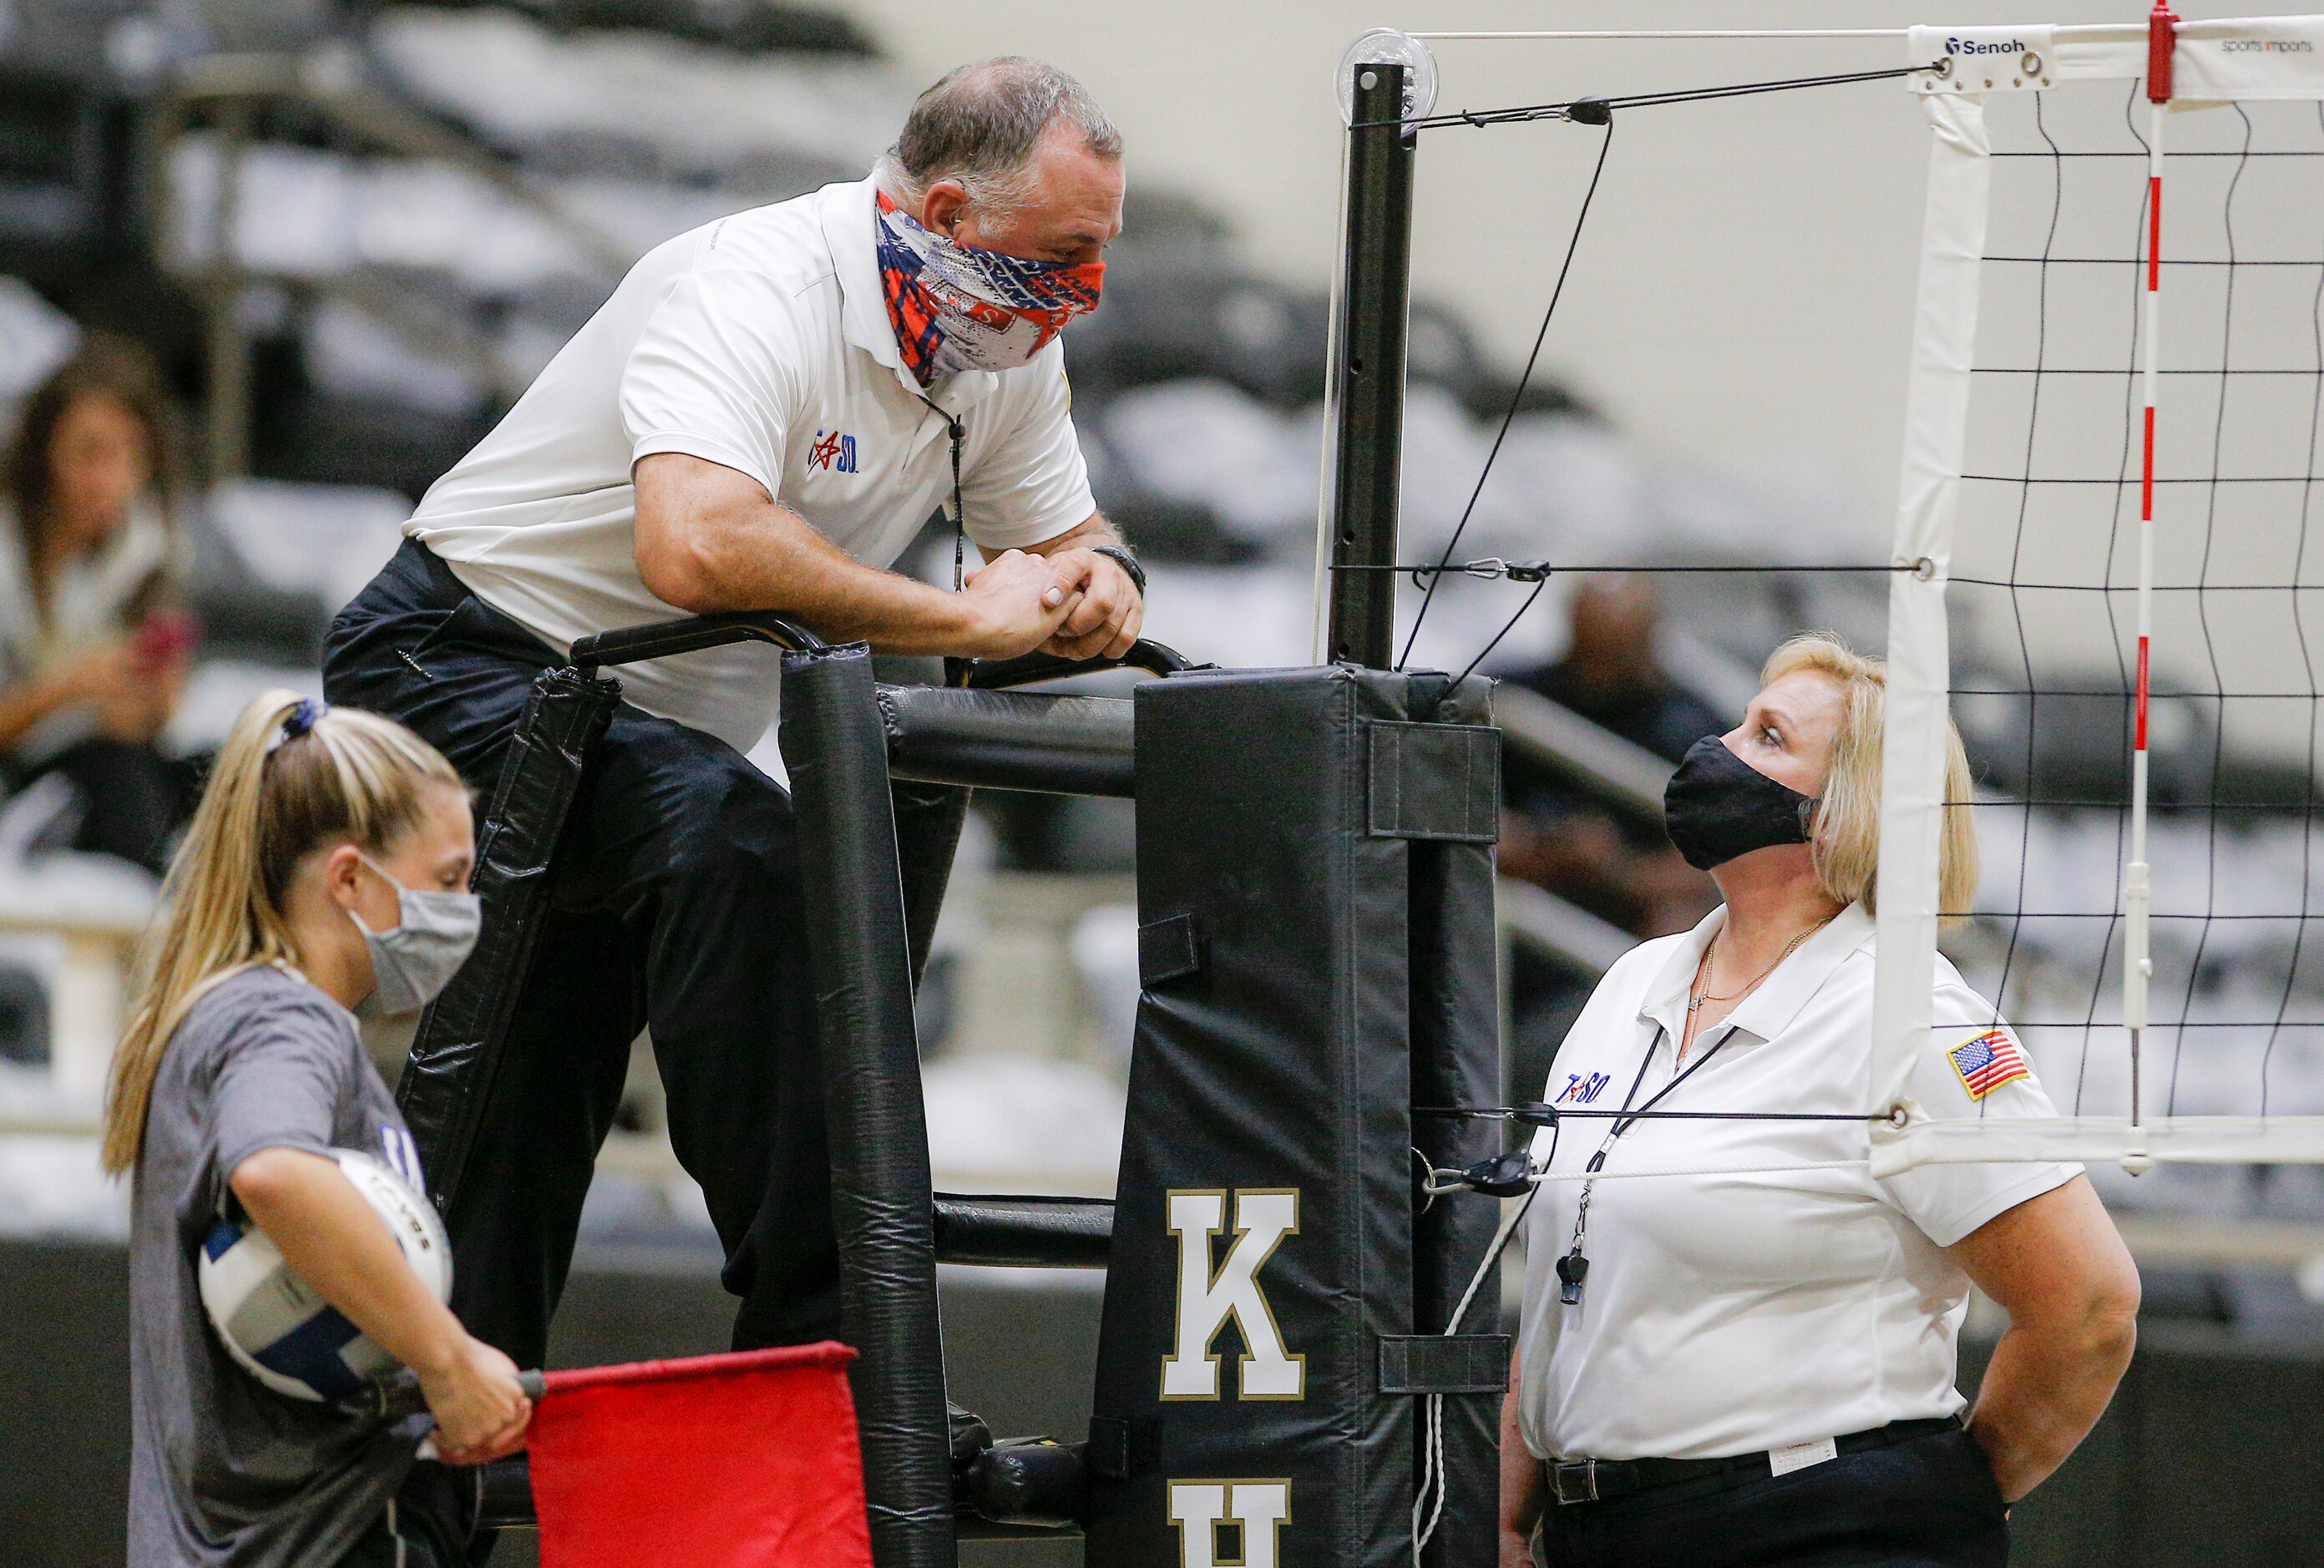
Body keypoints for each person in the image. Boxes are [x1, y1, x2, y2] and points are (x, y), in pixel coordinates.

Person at [321, 56, 1141, 1383]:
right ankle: (816, 1338)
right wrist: (958, 622)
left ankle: (465, 1438)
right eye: (1065, 255)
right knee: (744, 849)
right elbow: (695, 548)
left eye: (1102, 254)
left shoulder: (999, 338)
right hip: (454, 667)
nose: (1084, 294)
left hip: (629, 716)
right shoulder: (751, 280)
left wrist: (1101, 579)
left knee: (520, 1107)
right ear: (945, 214)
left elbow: (1061, 531)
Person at [1500, 633, 2140, 1568]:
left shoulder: (1910, 1018)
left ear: (1837, 818)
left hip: (1815, 1527)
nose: (1712, 750)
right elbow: (1571, 1279)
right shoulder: (1633, 982)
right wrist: (1512, 1520)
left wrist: (1932, 1500)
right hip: (1604, 1527)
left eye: (1763, 737)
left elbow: (2086, 1310)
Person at [105, 691, 530, 1567]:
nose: (463, 906)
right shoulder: (284, 1021)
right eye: (448, 880)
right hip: (314, 1542)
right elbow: (274, 1173)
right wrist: (448, 1362)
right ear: (347, 879)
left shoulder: (218, 1011)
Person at [0, 336, 200, 877]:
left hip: (113, 762)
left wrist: (152, 700)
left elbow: (157, 717)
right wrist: (67, 690)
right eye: (89, 454)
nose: (109, 481)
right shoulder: (8, 552)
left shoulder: (148, 546)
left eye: (129, 456)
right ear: (44, 454)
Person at [1499, 574, 1719, 940]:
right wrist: (1543, 848)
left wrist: (1614, 866)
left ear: (1649, 640)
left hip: (1629, 919)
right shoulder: (1515, 701)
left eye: (1615, 653)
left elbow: (1716, 866)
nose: (1599, 673)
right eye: (1589, 650)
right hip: (1518, 901)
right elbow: (1456, 809)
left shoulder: (1695, 730)